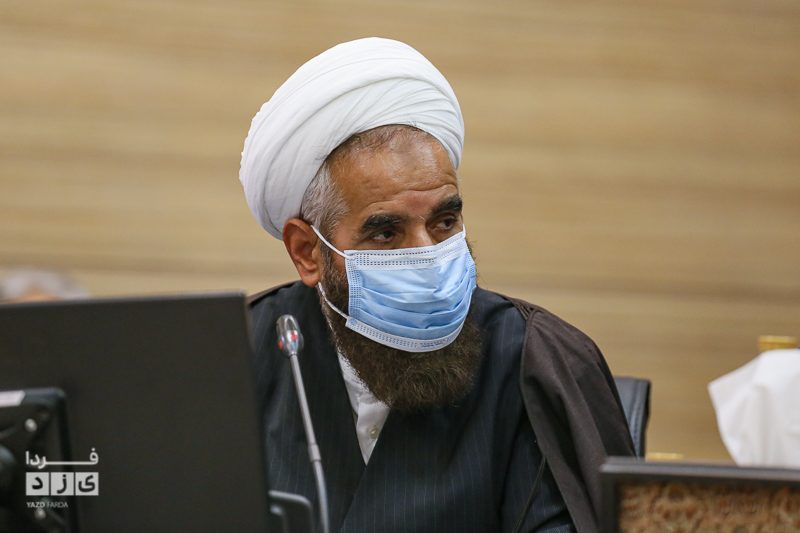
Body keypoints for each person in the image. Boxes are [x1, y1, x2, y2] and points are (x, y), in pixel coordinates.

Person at [239, 38, 634, 533]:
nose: (427, 255)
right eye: (386, 233)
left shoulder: (539, 362)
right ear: (307, 252)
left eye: (444, 222)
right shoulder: (235, 355)